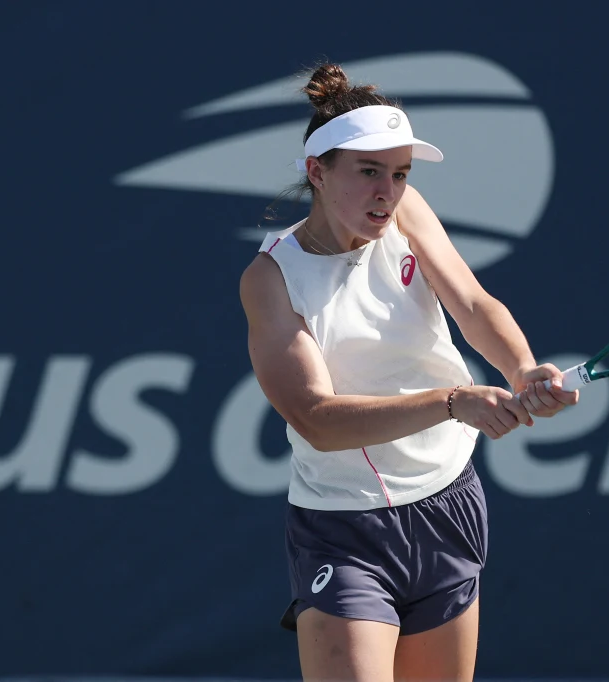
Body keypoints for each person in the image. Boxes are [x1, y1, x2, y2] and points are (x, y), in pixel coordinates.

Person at [239, 62, 579, 682]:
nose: (387, 192)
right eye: (368, 172)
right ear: (317, 172)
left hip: (446, 500)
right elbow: (317, 420)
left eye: (399, 175)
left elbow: (473, 305)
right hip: (342, 526)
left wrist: (523, 368)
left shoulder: (407, 214)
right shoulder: (270, 280)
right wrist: (452, 401)